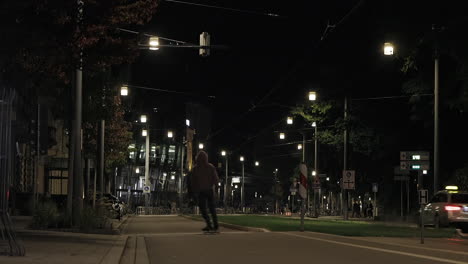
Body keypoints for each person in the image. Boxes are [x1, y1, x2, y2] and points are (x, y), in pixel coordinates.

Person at [189, 150, 220, 232]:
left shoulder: (195, 169)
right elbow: (216, 179)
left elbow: (193, 182)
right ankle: (215, 225)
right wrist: (216, 190)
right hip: (209, 190)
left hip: (201, 191)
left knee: (203, 209)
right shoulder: (210, 167)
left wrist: (194, 192)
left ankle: (209, 224)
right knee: (212, 208)